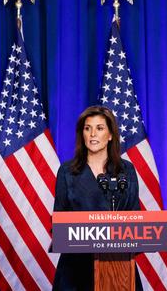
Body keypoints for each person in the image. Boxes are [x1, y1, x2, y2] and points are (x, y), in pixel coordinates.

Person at [52, 106, 142, 290]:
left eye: (99, 128)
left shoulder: (127, 170)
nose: (93, 134)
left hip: (120, 269)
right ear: (82, 134)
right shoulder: (67, 172)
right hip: (76, 271)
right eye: (87, 128)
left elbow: (136, 218)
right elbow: (58, 223)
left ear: (110, 135)